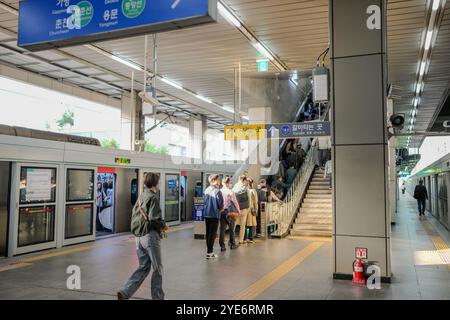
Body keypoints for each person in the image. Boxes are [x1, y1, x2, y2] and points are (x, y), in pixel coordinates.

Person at [118, 173, 167, 300]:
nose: (160, 184)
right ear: (155, 183)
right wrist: (163, 224)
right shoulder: (153, 198)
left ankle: (125, 291)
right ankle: (158, 297)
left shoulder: (141, 196)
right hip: (150, 237)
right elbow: (154, 219)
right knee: (158, 268)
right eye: (159, 182)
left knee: (144, 267)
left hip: (139, 237)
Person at [203, 174, 224, 259]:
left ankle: (209, 251)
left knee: (208, 234)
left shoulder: (206, 190)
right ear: (214, 181)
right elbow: (220, 204)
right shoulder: (217, 191)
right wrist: (221, 208)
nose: (219, 181)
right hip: (214, 215)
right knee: (212, 234)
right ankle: (210, 253)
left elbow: (204, 201)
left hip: (207, 214)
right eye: (218, 180)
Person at [220, 177, 240, 251]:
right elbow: (235, 202)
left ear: (222, 183)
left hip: (222, 212)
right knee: (231, 228)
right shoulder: (230, 192)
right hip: (230, 213)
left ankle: (222, 246)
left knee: (222, 229)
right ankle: (232, 244)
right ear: (228, 183)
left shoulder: (219, 191)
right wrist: (238, 210)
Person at [233, 175, 250, 245]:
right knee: (242, 225)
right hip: (244, 209)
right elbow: (249, 199)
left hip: (237, 209)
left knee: (234, 224)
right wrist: (248, 208)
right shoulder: (246, 188)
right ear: (244, 180)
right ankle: (241, 240)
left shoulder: (235, 187)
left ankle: (232, 239)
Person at [243, 178, 259, 243]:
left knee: (244, 224)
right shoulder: (253, 191)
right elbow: (255, 201)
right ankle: (250, 238)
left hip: (244, 209)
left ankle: (244, 238)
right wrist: (256, 210)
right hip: (251, 210)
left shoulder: (243, 190)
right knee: (251, 225)